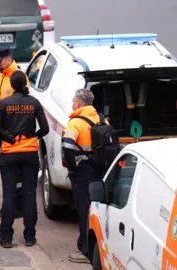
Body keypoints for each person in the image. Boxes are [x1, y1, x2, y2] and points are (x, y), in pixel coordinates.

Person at [0, 70, 49, 248]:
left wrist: (8, 138)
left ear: (11, 85)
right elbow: (45, 129)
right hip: (29, 153)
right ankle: (30, 237)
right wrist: (33, 136)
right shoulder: (34, 103)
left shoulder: (4, 104)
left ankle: (6, 237)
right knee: (29, 194)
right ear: (25, 83)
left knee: (9, 195)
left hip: (9, 153)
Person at [63, 89, 109, 264]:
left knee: (83, 209)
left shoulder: (76, 122)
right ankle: (91, 244)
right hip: (99, 169)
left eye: (73, 100)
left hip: (82, 170)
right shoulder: (102, 119)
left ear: (78, 103)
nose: (72, 103)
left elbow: (67, 146)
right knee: (96, 208)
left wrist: (71, 167)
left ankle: (85, 250)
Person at [0, 47, 28, 219]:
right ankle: (8, 206)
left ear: (8, 59)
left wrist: (1, 103)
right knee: (5, 171)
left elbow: (21, 102)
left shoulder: (18, 77)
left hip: (13, 128)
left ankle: (16, 208)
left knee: (15, 173)